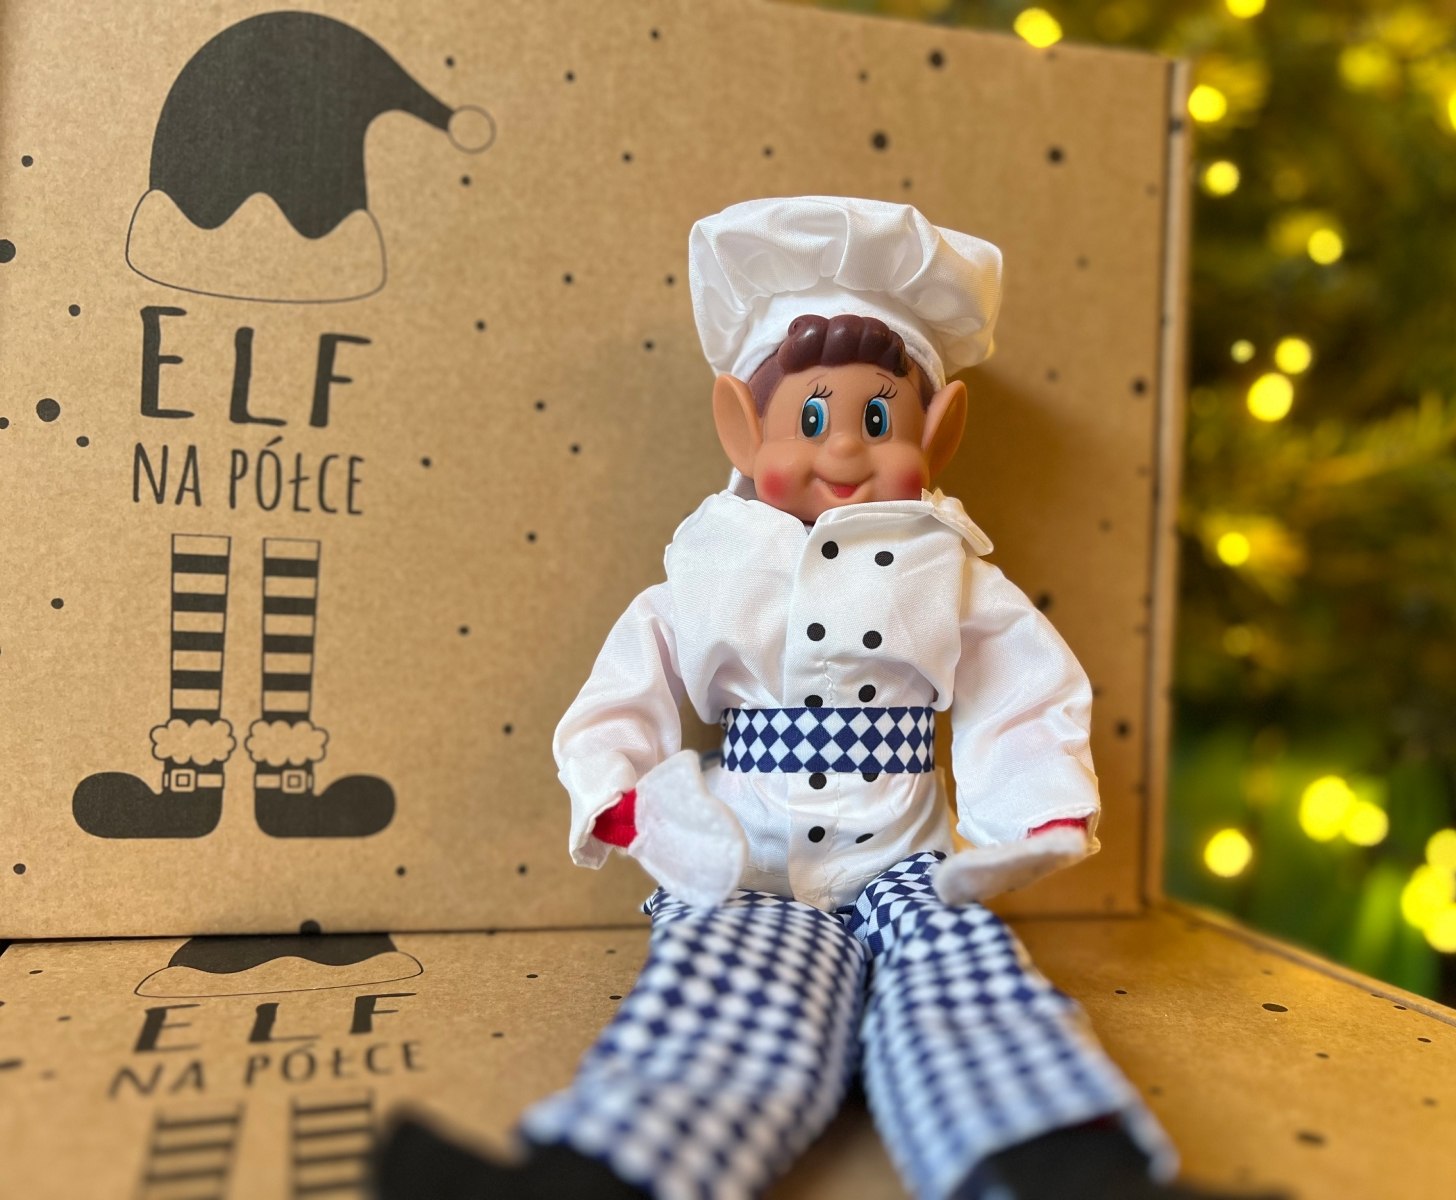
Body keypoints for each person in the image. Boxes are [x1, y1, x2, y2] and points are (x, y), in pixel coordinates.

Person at [379, 196, 1196, 1200]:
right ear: (739, 427)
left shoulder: (949, 573)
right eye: (810, 419)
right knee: (723, 988)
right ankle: (593, 1179)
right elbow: (629, 683)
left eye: (878, 420)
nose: (844, 450)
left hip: (907, 861)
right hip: (754, 860)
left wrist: (1038, 811)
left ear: (938, 434)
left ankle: (1071, 1175)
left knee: (967, 977)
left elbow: (1016, 690)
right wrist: (625, 794)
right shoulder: (708, 571)